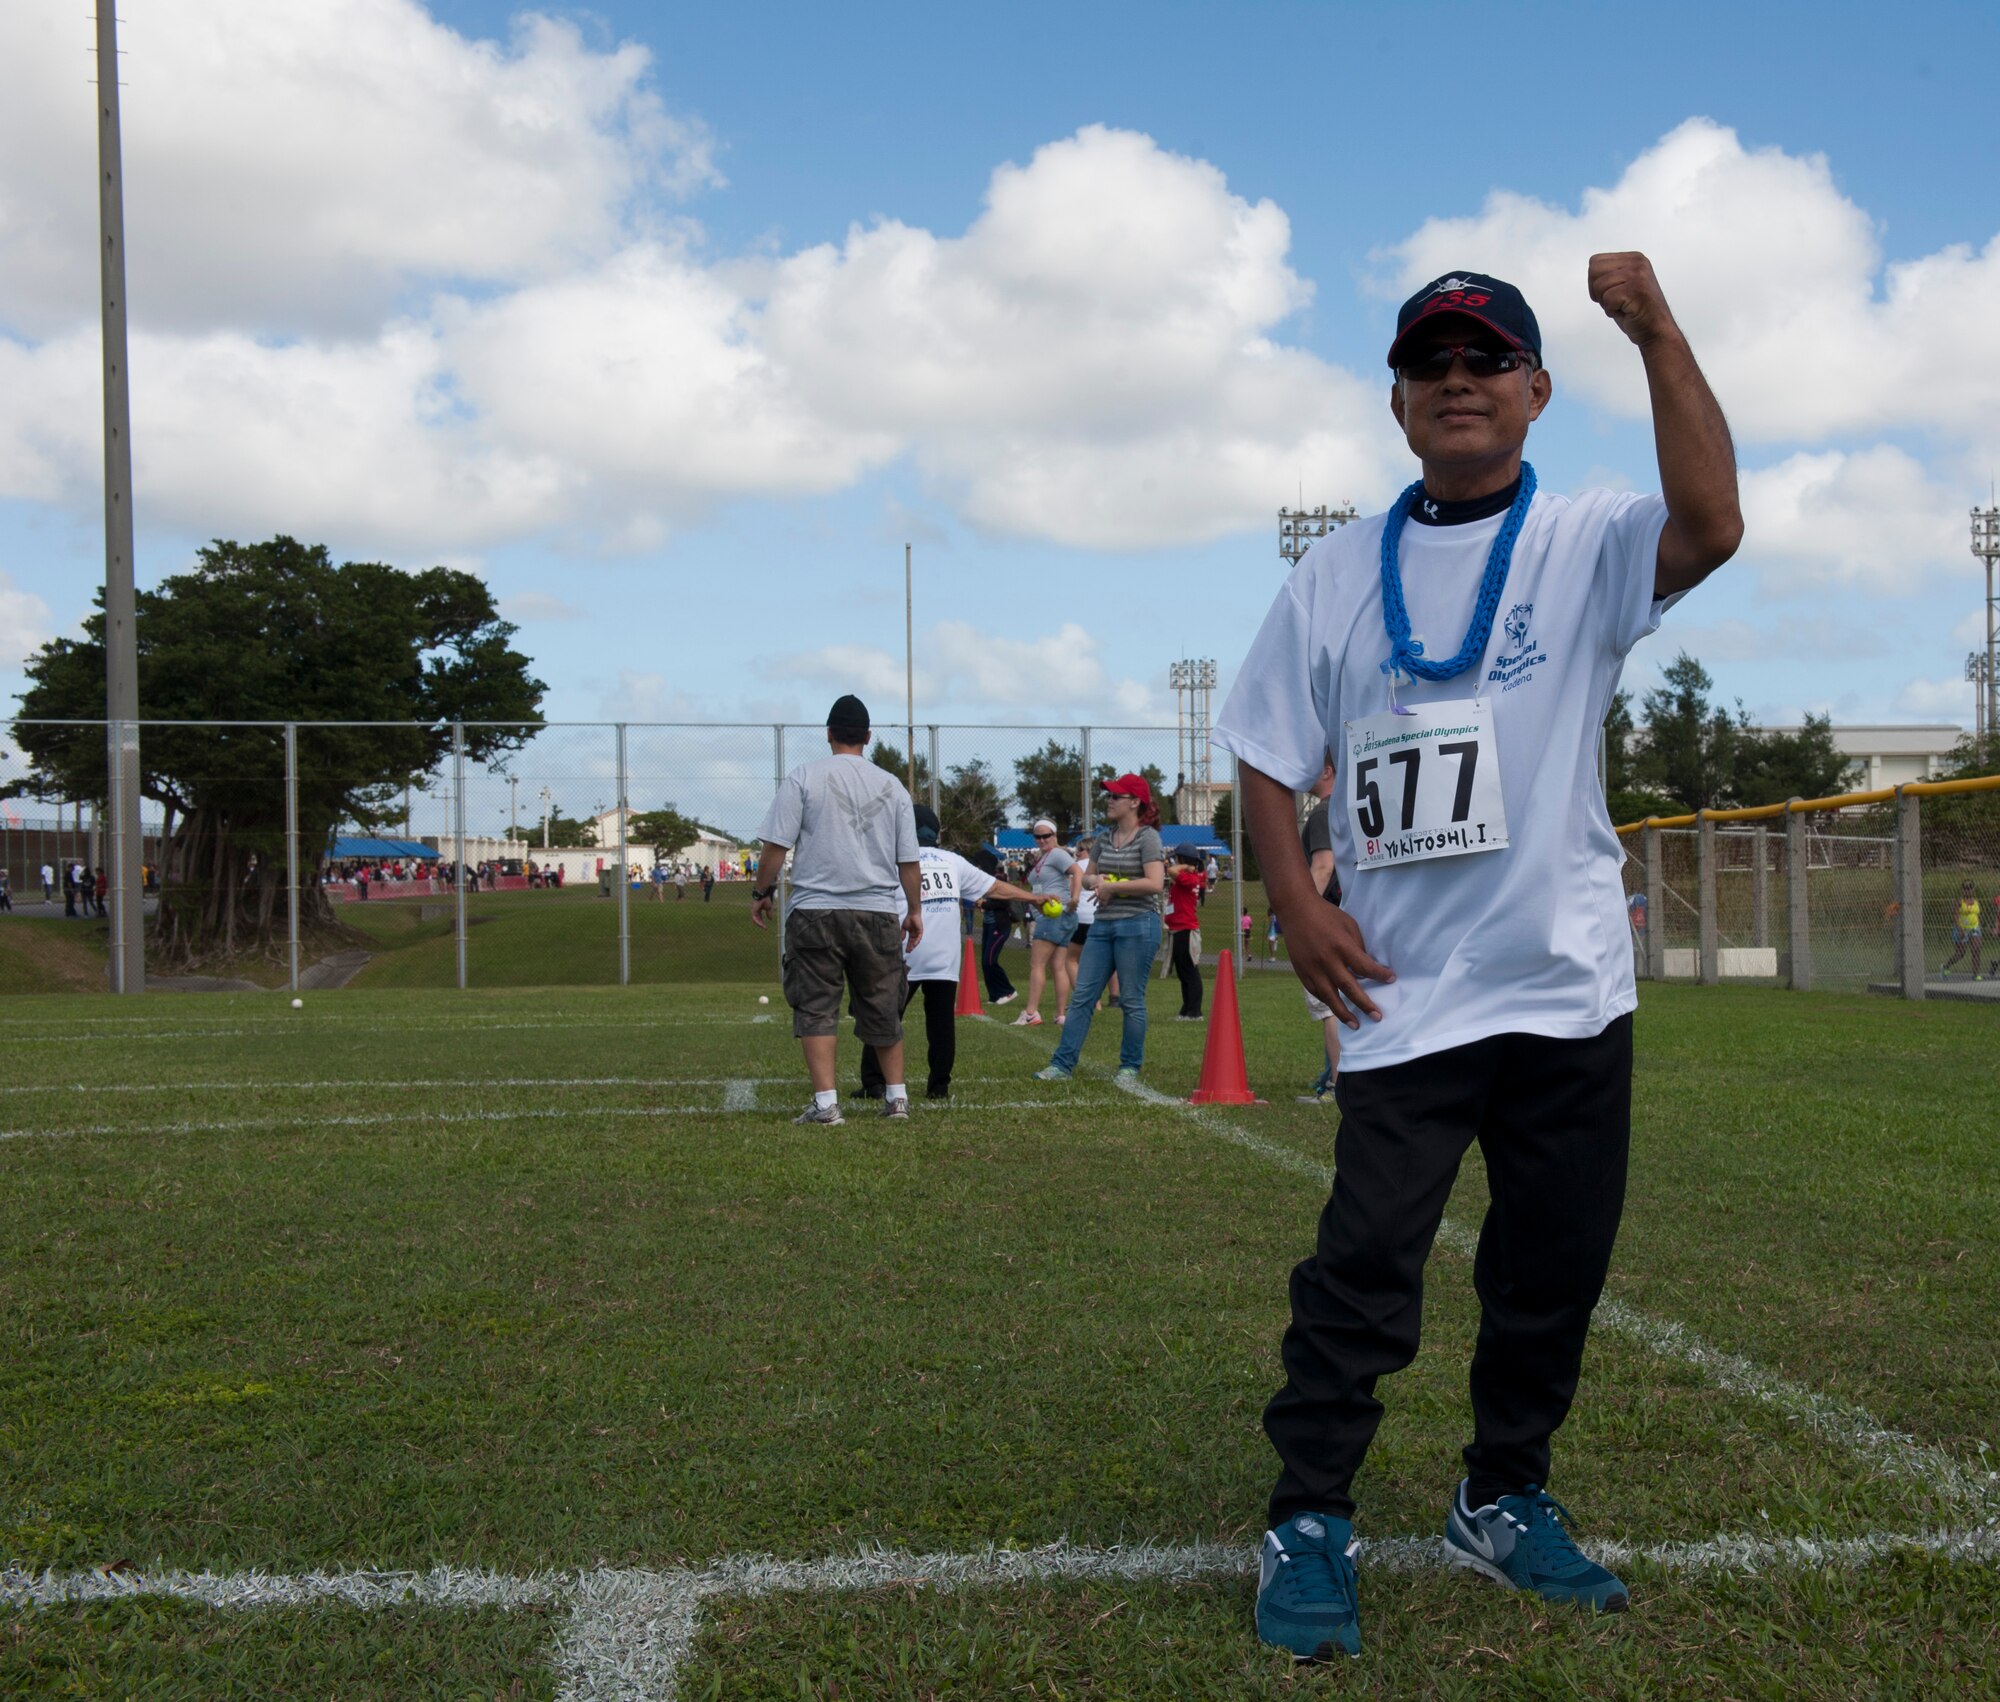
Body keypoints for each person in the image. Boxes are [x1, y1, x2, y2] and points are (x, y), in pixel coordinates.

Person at [1215, 258, 1741, 1659]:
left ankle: (1502, 1494)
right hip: (1401, 996)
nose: (1460, 378)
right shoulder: (1330, 571)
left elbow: (1713, 523)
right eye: (1432, 361)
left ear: (1535, 391)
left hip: (1564, 986)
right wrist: (1292, 899)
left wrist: (1661, 334)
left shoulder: (1583, 541)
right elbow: (1267, 751)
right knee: (1365, 1265)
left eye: (1488, 358)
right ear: (1399, 403)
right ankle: (1308, 1516)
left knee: (1550, 1268)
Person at [750, 694, 923, 1125]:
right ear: (868, 736)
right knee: (884, 1004)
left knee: (816, 1006)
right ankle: (897, 1099)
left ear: (828, 733)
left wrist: (761, 892)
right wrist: (914, 910)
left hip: (815, 910)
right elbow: (909, 861)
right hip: (878, 911)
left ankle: (826, 1104)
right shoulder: (893, 786)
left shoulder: (803, 778)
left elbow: (776, 845)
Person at [858, 805, 1041, 1100]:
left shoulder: (896, 861)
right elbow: (994, 887)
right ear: (936, 833)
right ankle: (939, 1086)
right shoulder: (952, 861)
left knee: (885, 1018)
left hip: (904, 952)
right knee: (941, 1024)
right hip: (943, 955)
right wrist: (1034, 897)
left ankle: (874, 1082)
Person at [1034, 774, 1166, 1082]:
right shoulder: (1105, 838)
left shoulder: (1148, 838)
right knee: (1083, 998)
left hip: (1138, 925)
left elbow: (1155, 883)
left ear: (1135, 803)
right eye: (1109, 795)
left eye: (1116, 796)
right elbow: (1088, 877)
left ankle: (1129, 1067)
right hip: (1103, 925)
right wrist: (1098, 882)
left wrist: (1114, 888)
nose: (1109, 800)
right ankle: (1061, 1065)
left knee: (1131, 999)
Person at [1298, 759, 1344, 1102]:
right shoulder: (1346, 804)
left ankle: (1337, 1085)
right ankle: (1334, 1073)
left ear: (1327, 769)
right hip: (1346, 915)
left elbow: (1323, 865)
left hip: (1328, 916)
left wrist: (1303, 917)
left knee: (1328, 1003)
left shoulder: (1322, 812)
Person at [1012, 819, 1082, 1028]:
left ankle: (1031, 1012)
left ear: (1054, 835)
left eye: (1047, 836)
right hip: (1057, 917)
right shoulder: (1046, 857)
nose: (1042, 840)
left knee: (1037, 964)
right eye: (1038, 836)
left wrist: (1075, 897)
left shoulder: (1058, 854)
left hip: (1053, 916)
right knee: (1058, 966)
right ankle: (1061, 1015)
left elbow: (1077, 871)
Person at [971, 848, 1019, 1004]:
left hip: (999, 926)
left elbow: (1003, 901)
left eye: (977, 865)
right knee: (985, 962)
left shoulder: (998, 879)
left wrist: (985, 903)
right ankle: (994, 995)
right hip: (988, 925)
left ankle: (1008, 991)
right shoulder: (982, 880)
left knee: (990, 961)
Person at [1164, 847, 1206, 1019]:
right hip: (1178, 929)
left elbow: (1171, 870)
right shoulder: (1187, 878)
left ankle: (1195, 1012)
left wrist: (1185, 867)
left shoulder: (1188, 877)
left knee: (1189, 971)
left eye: (1178, 859)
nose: (1175, 862)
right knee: (1183, 972)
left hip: (1185, 929)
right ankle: (1186, 1009)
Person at [1942, 880, 1982, 980]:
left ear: (1972, 890)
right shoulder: (1960, 902)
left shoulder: (1976, 902)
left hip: (1974, 928)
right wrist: (1960, 929)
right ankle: (1946, 966)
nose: (1967, 890)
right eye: (1965, 888)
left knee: (1976, 950)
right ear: (1962, 890)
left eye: (1970, 888)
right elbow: (1955, 915)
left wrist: (1979, 926)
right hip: (1962, 929)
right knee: (1960, 953)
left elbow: (1977, 915)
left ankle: (1976, 974)